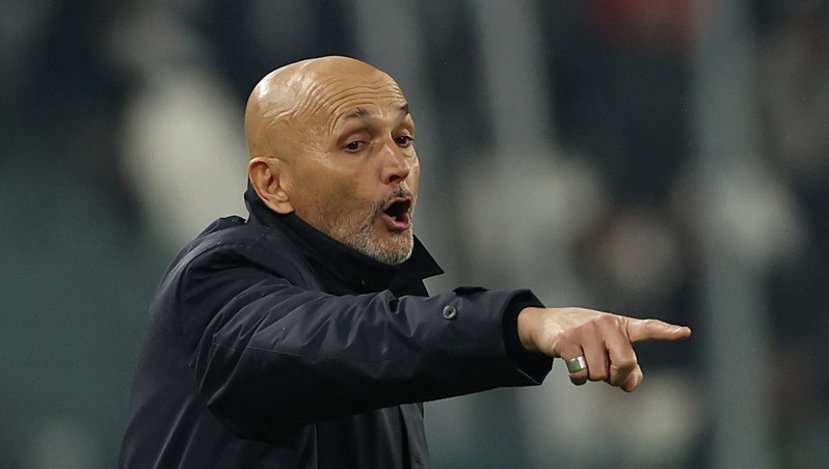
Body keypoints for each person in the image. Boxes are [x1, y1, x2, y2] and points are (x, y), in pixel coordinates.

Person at [117, 56, 691, 469]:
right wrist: (520, 323)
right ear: (273, 183)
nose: (397, 165)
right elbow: (338, 340)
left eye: (405, 138)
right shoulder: (218, 279)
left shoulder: (380, 307)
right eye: (356, 144)